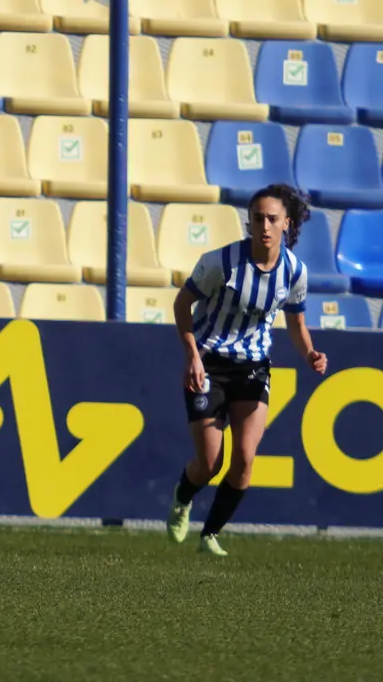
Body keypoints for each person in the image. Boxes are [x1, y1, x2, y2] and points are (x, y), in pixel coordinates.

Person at [165, 184, 328, 556]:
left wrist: (311, 354)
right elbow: (181, 305)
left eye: (273, 219)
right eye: (258, 219)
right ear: (249, 222)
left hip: (254, 368)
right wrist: (191, 354)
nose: (265, 226)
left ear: (287, 223)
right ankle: (182, 496)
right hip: (209, 366)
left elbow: (296, 325)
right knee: (210, 463)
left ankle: (209, 535)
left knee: (244, 461)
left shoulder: (294, 272)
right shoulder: (220, 263)